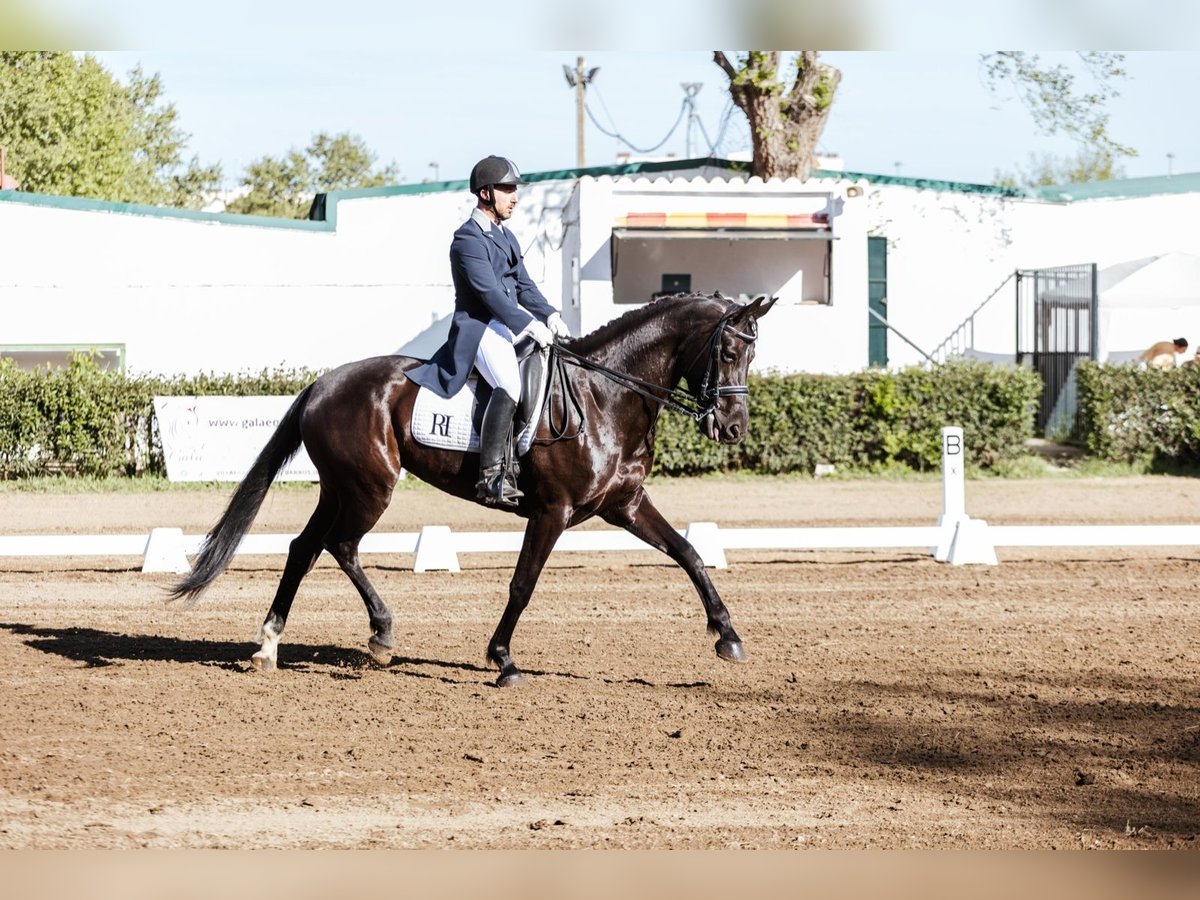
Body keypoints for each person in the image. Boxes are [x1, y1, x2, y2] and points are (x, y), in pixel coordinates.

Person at [407, 155, 571, 507]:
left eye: (514, 190)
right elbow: (489, 294)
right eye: (508, 189)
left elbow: (523, 286)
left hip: (506, 326)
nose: (515, 197)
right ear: (485, 193)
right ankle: (492, 477)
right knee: (509, 384)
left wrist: (550, 315)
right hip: (479, 327)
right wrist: (528, 324)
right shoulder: (467, 239)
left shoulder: (506, 237)